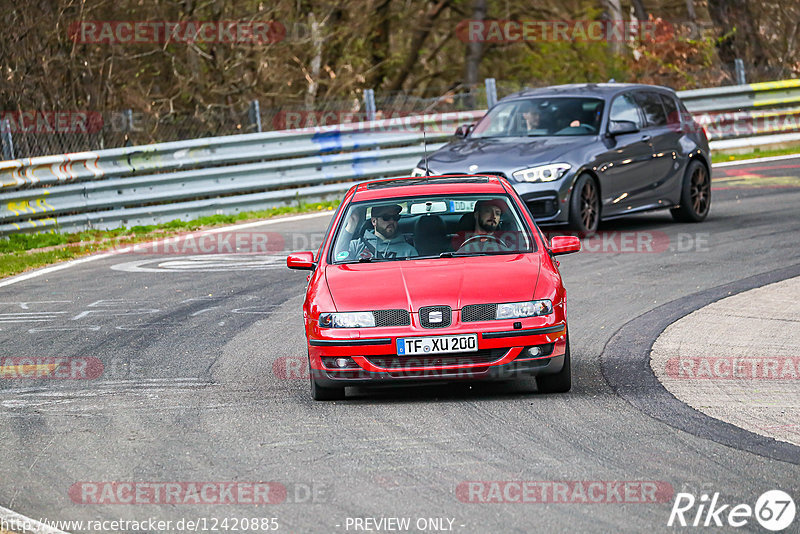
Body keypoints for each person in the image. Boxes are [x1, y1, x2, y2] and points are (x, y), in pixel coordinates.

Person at [347, 204, 418, 259]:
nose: (392, 221)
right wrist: (350, 226)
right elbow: (340, 261)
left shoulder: (408, 251)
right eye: (386, 217)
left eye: (395, 217)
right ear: (374, 221)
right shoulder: (357, 245)